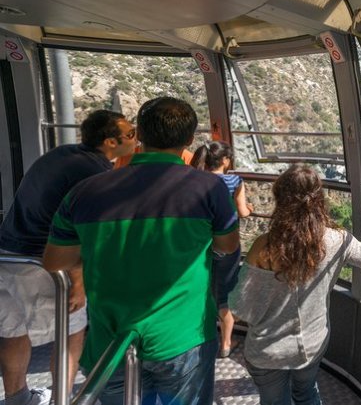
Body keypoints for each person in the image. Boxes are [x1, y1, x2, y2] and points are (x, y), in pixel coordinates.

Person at [42, 97, 240, 405]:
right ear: (189, 140)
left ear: (141, 136)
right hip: (183, 337)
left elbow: (55, 260)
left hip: (111, 340)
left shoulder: (83, 193)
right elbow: (227, 245)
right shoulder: (209, 189)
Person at [230, 165, 361, 405]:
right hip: (311, 345)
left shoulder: (264, 246)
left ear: (281, 200)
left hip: (267, 351)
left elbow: (240, 309)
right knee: (307, 394)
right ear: (317, 200)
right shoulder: (338, 241)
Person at [0, 110, 136, 405]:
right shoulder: (96, 175)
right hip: (40, 264)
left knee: (13, 332)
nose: (135, 139)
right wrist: (78, 281)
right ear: (111, 142)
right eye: (130, 134)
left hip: (7, 257)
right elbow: (78, 232)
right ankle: (60, 400)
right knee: (72, 334)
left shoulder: (62, 154)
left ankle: (17, 398)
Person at [190, 141, 253, 358]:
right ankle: (226, 344)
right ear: (225, 161)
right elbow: (243, 211)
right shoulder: (234, 181)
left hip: (200, 246)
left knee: (203, 290)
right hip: (226, 247)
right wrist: (249, 208)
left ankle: (201, 337)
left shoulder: (195, 181)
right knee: (224, 295)